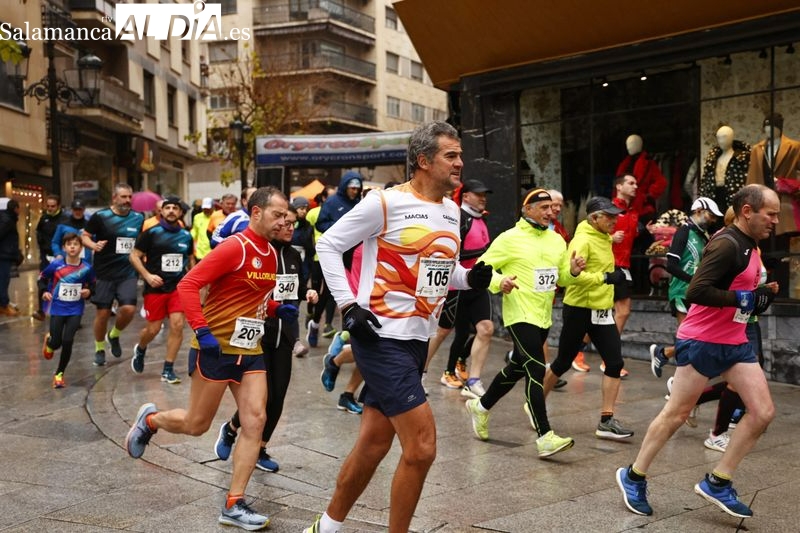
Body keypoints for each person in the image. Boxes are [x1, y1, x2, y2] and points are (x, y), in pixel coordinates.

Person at [305, 121, 492, 533]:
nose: (460, 163)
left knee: (373, 444)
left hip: (416, 340)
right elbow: (328, 246)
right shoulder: (384, 204)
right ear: (424, 161)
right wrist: (348, 305)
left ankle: (327, 527)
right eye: (452, 155)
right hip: (380, 336)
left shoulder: (449, 211)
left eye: (460, 155)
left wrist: (468, 278)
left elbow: (437, 270)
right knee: (422, 448)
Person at [125, 186, 293, 531]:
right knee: (196, 424)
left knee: (255, 421)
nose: (284, 221)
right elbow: (188, 285)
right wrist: (201, 331)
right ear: (257, 213)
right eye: (278, 214)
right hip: (215, 349)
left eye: (286, 216)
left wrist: (276, 307)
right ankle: (151, 421)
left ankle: (234, 503)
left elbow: (250, 296)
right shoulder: (235, 247)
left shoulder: (273, 253)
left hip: (250, 350)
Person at [616, 184, 780, 519]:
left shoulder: (750, 244)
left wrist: (758, 293)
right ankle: (633, 475)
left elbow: (735, 289)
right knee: (676, 414)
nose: (776, 220)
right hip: (703, 340)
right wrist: (743, 299)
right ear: (748, 211)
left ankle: (718, 482)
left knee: (762, 413)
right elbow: (697, 291)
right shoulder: (726, 243)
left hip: (734, 342)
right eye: (771, 213)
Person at [463, 188, 585, 457]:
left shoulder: (556, 240)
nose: (549, 212)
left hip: (542, 315)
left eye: (552, 208)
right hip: (518, 313)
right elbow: (481, 269)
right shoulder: (509, 239)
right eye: (543, 208)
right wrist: (499, 282)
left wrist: (573, 271)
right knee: (536, 368)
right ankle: (545, 436)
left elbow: (561, 277)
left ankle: (480, 407)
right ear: (527, 210)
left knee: (517, 367)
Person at [213, 203, 317, 472]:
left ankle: (260, 448)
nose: (288, 227)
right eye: (283, 221)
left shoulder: (295, 254)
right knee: (263, 396)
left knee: (279, 394)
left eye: (293, 223)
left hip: (286, 331)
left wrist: (308, 292)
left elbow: (298, 283)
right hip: (257, 331)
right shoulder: (262, 251)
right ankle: (233, 427)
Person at [542, 196, 634, 440]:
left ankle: (606, 420)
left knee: (615, 363)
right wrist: (605, 278)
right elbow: (567, 277)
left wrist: (612, 275)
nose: (615, 221)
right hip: (579, 309)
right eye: (610, 217)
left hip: (602, 310)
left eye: (616, 216)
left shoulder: (604, 238)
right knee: (562, 362)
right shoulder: (582, 240)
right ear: (594, 218)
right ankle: (536, 405)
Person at [650, 196, 723, 378]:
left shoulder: (702, 235)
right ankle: (678, 382)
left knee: (697, 337)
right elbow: (671, 265)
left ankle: (664, 354)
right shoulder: (683, 232)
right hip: (681, 292)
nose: (713, 220)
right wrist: (693, 279)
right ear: (698, 211)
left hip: (697, 292)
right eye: (710, 215)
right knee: (689, 337)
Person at [129, 197, 195, 383]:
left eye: (175, 208)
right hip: (155, 288)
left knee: (177, 325)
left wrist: (193, 280)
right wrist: (147, 276)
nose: (172, 211)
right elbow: (134, 256)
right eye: (168, 208)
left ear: (181, 212)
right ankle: (141, 348)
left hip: (177, 287)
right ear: (161, 212)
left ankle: (168, 369)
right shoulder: (151, 233)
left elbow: (190, 260)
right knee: (153, 329)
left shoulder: (186, 236)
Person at [440, 179, 494, 399]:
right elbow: (453, 252)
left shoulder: (481, 219)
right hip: (458, 285)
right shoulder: (460, 218)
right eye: (478, 194)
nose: (483, 198)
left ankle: (471, 378)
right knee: (450, 332)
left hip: (478, 286)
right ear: (466, 196)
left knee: (485, 329)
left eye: (484, 194)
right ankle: (441, 371)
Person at [81, 183, 145, 366]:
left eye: (129, 197)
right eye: (123, 197)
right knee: (102, 313)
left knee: (129, 309)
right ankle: (99, 347)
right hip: (104, 272)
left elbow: (141, 242)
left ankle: (114, 335)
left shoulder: (138, 218)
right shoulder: (100, 217)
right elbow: (84, 235)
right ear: (114, 198)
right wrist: (93, 245)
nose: (127, 201)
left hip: (127, 271)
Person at [309, 171, 365, 342]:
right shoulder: (332, 202)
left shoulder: (360, 204)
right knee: (327, 293)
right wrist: (339, 226)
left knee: (351, 292)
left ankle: (345, 335)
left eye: (357, 188)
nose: (354, 191)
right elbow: (320, 223)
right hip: (333, 253)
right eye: (351, 188)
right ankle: (315, 324)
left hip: (352, 254)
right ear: (344, 187)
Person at [39, 232, 95, 388]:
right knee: (57, 343)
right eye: (69, 244)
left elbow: (93, 285)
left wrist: (88, 292)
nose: (72, 247)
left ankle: (59, 374)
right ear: (64, 247)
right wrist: (45, 291)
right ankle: (50, 342)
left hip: (75, 309)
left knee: (68, 340)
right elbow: (42, 278)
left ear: (81, 247)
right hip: (57, 308)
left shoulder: (87, 268)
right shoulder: (56, 265)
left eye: (75, 244)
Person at [746, 113, 800, 236]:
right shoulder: (757, 149)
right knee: (763, 230)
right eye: (766, 128)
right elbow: (752, 176)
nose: (769, 131)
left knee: (783, 233)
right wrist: (748, 198)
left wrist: (790, 185)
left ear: (779, 128)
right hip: (762, 197)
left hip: (785, 198)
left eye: (772, 128)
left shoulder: (794, 147)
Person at [699, 125, 751, 214]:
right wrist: (703, 199)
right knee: (715, 222)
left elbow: (747, 179)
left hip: (733, 196)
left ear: (731, 137)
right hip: (714, 195)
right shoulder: (713, 157)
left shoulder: (741, 158)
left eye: (724, 137)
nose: (721, 141)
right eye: (718, 138)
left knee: (732, 220)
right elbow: (706, 180)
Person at [615, 134, 667, 222]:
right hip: (625, 205)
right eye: (628, 144)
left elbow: (661, 182)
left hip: (643, 207)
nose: (629, 146)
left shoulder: (648, 163)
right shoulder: (624, 164)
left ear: (640, 145)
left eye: (632, 143)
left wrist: (648, 196)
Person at [34, 195, 67, 320]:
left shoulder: (65, 219)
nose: (50, 209)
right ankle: (41, 310)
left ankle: (67, 312)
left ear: (58, 206)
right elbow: (39, 232)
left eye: (52, 206)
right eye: (48, 206)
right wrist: (42, 248)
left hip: (61, 256)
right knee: (42, 279)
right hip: (46, 256)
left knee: (64, 282)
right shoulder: (44, 218)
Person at [290, 196, 315, 357]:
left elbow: (311, 249)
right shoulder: (288, 225)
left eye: (305, 208)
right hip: (285, 268)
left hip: (302, 269)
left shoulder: (308, 227)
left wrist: (307, 272)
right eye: (300, 208)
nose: (303, 211)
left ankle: (295, 340)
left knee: (295, 306)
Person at [0, 199, 21, 316]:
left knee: (3, 280)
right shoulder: (7, 220)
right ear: (15, 209)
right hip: (4, 255)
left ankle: (4, 303)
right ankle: (3, 305)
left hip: (5, 254)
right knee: (3, 280)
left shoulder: (7, 218)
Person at [191, 197, 214, 262]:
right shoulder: (197, 217)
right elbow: (194, 231)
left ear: (213, 207)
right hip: (200, 253)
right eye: (204, 208)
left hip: (213, 252)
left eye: (208, 208)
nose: (206, 210)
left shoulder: (216, 216)